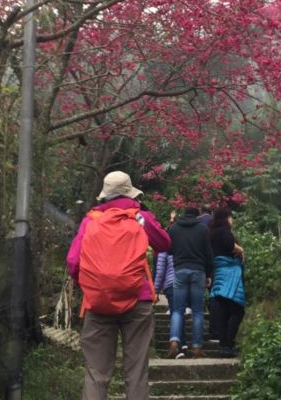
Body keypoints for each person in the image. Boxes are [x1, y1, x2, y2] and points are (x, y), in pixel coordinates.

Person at [66, 170, 171, 400]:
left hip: (98, 303)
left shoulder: (90, 219)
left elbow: (73, 261)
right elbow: (164, 243)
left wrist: (92, 285)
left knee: (96, 372)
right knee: (136, 372)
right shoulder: (139, 216)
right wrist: (143, 215)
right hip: (138, 299)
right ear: (130, 191)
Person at [167, 206, 214, 359]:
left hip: (180, 270)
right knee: (198, 311)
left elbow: (169, 250)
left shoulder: (173, 229)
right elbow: (208, 253)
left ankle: (174, 342)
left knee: (177, 310)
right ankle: (196, 347)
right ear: (198, 215)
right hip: (198, 270)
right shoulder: (203, 229)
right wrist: (208, 274)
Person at [209, 207, 245, 358]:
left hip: (218, 272)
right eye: (231, 217)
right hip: (229, 274)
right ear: (226, 218)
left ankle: (223, 345)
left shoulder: (210, 233)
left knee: (223, 314)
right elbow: (230, 246)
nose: (233, 220)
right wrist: (241, 250)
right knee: (237, 310)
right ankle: (228, 343)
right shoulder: (224, 231)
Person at [154, 250, 187, 357]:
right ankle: (183, 343)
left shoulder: (164, 250)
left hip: (171, 284)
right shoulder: (181, 247)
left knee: (175, 313)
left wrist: (156, 290)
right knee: (179, 312)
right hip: (183, 283)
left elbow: (160, 271)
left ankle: (178, 346)